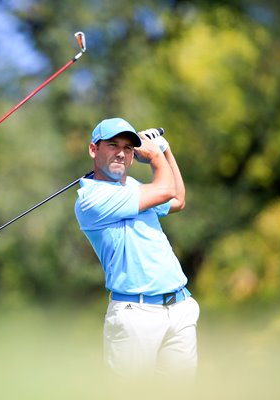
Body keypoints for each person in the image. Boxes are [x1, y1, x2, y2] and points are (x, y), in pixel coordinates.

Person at [74, 117, 199, 378]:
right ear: (93, 150)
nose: (121, 153)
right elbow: (165, 189)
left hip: (179, 306)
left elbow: (177, 198)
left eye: (129, 148)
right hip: (135, 315)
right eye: (113, 145)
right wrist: (155, 156)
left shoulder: (131, 186)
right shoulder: (91, 199)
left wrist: (165, 150)